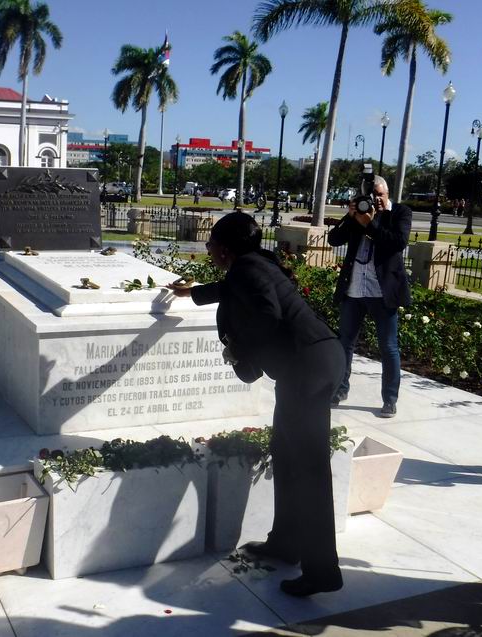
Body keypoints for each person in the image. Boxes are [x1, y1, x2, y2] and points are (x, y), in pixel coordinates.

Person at [167, 212, 346, 597]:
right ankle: (285, 542)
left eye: (211, 243)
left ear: (225, 248)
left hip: (306, 367)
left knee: (309, 470)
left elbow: (267, 312)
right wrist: (193, 293)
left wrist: (239, 348)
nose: (208, 249)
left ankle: (322, 570)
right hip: (312, 362)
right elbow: (233, 290)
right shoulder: (252, 264)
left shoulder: (248, 269)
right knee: (285, 453)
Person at [328, 176, 412, 418]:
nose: (376, 198)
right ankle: (340, 390)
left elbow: (398, 242)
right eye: (371, 194)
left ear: (387, 192)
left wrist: (371, 222)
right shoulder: (358, 215)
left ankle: (390, 399)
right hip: (354, 289)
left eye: (380, 193)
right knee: (345, 343)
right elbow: (334, 240)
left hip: (381, 291)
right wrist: (350, 215)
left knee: (388, 347)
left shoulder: (400, 213)